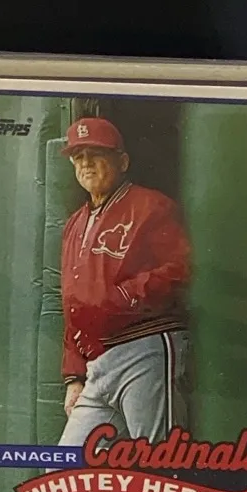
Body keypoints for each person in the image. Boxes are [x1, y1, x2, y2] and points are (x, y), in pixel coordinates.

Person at [58, 116, 192, 448]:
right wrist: (74, 376)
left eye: (96, 153)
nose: (86, 163)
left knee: (160, 463)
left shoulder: (151, 206)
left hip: (142, 348)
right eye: (78, 156)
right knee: (66, 470)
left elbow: (179, 269)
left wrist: (121, 297)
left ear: (122, 161)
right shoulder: (75, 224)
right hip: (97, 364)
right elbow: (72, 304)